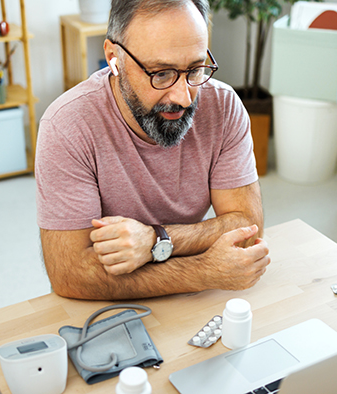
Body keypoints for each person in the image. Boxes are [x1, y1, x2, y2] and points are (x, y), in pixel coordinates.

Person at [36, 0, 270, 300]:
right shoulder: (67, 125)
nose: (183, 97)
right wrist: (202, 271)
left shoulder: (222, 105)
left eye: (196, 69)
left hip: (186, 302)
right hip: (107, 309)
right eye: (160, 74)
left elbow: (246, 226)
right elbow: (70, 274)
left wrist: (155, 240)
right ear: (113, 58)